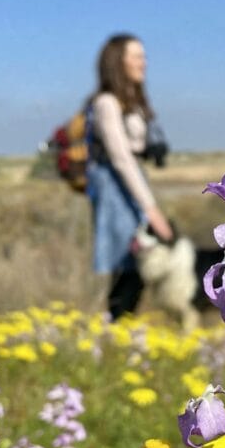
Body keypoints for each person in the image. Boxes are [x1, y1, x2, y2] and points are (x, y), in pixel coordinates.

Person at [86, 33, 174, 320]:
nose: (143, 62)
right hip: (115, 188)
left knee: (135, 263)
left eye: (143, 56)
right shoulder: (106, 103)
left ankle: (120, 327)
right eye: (136, 56)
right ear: (117, 61)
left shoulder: (131, 101)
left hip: (131, 182)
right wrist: (152, 211)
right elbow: (121, 159)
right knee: (128, 262)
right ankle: (116, 327)